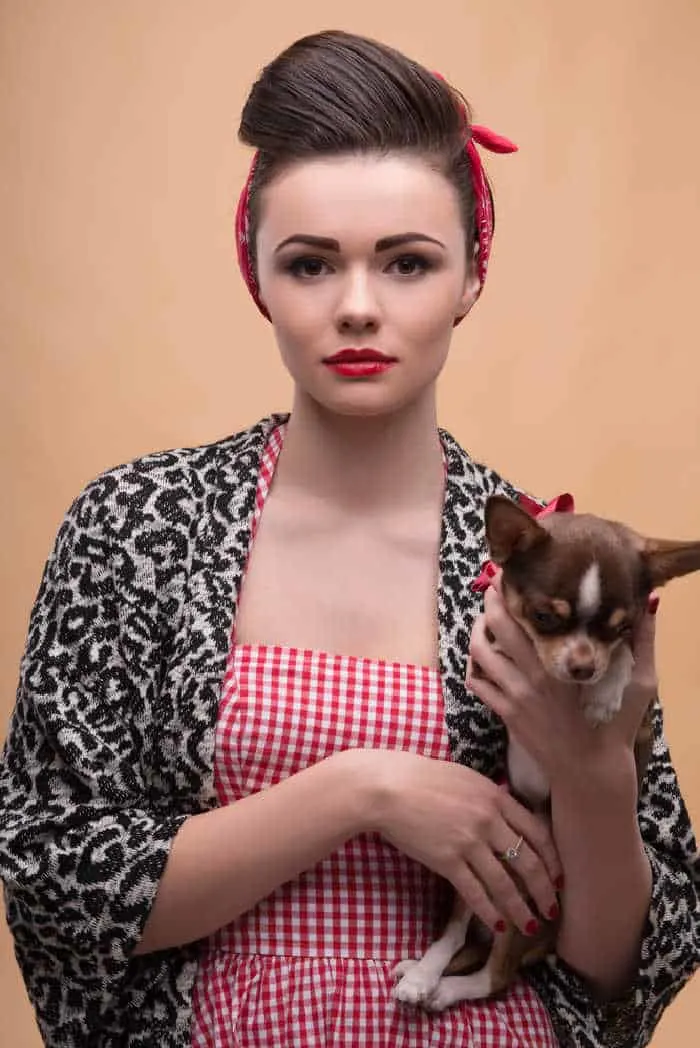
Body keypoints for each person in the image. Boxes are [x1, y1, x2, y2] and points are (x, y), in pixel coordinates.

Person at [0, 27, 697, 1048]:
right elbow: (59, 882)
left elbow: (614, 972)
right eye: (311, 263)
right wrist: (364, 790)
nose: (358, 307)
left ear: (470, 277)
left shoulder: (548, 562)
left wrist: (595, 768)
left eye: (408, 262)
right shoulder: (136, 525)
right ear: (258, 278)